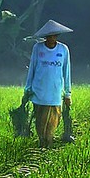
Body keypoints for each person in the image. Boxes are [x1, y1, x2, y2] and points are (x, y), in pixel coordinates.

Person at [23, 19, 73, 147]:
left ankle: (49, 140)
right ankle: (42, 141)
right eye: (49, 36)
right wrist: (27, 89)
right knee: (39, 119)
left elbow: (66, 71)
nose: (52, 38)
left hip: (55, 90)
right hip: (39, 89)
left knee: (53, 119)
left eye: (54, 35)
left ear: (57, 36)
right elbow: (32, 68)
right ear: (45, 37)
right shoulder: (38, 48)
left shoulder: (63, 49)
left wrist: (67, 94)